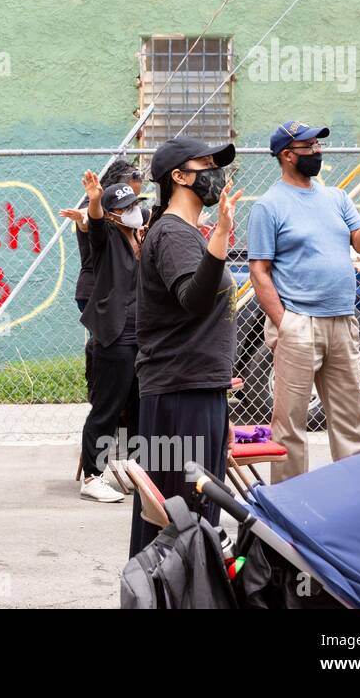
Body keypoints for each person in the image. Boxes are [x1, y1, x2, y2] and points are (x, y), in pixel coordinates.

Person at [247, 120, 360, 481]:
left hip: (343, 320)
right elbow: (259, 271)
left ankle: (354, 502)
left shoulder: (337, 198)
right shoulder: (268, 206)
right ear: (287, 155)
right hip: (299, 323)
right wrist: (285, 323)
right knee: (289, 427)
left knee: (352, 421)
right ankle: (289, 509)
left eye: (317, 145)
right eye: (308, 147)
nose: (317, 151)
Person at [130, 137, 241, 557]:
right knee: (182, 517)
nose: (216, 172)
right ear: (178, 176)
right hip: (179, 394)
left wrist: (218, 397)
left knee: (190, 516)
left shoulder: (185, 233)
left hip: (195, 390)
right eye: (206, 164)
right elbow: (193, 300)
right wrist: (223, 236)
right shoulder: (175, 234)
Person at [72, 172, 144, 503]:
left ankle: (138, 468)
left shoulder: (138, 238)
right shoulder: (108, 238)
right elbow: (94, 225)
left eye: (136, 204)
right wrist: (96, 200)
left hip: (140, 337)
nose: (135, 210)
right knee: (107, 409)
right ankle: (93, 476)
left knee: (137, 406)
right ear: (115, 214)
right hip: (114, 336)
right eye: (127, 206)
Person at [62, 159, 144, 412]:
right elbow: (93, 222)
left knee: (118, 355)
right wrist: (88, 214)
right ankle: (104, 404)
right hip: (98, 289)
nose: (134, 206)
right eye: (135, 176)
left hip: (118, 292)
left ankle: (122, 416)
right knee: (105, 350)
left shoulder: (129, 219)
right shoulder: (101, 211)